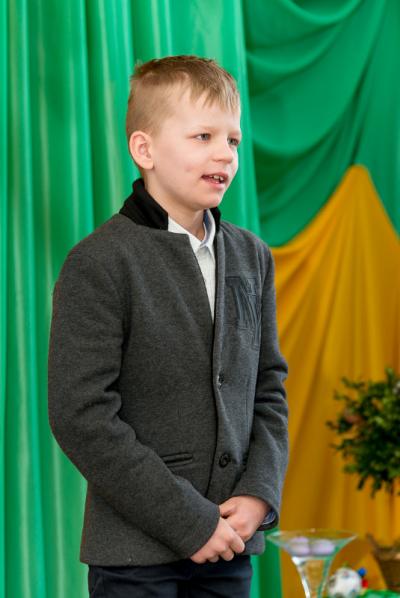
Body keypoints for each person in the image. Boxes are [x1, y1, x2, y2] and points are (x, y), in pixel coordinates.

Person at [48, 55, 289, 598]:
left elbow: (268, 388)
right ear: (145, 150)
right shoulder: (99, 262)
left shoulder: (253, 256)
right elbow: (81, 415)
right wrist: (189, 521)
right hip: (134, 559)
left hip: (230, 546)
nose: (224, 154)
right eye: (203, 136)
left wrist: (259, 493)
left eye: (233, 140)